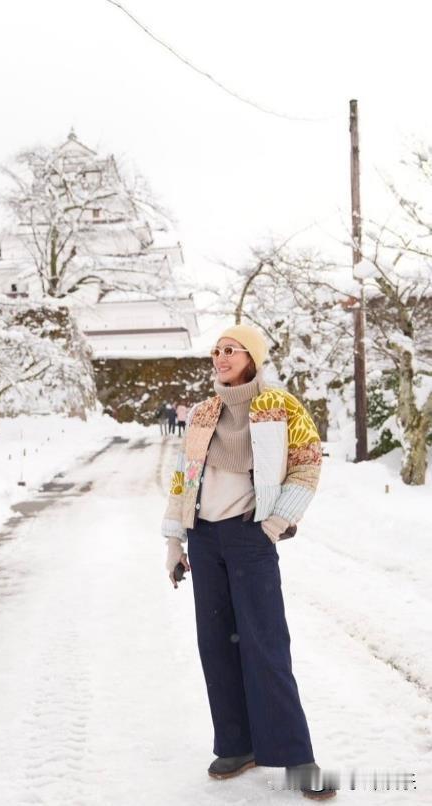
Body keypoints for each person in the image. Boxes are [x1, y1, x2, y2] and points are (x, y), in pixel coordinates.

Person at [161, 324, 336, 801]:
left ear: (252, 358)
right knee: (216, 643)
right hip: (204, 538)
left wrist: (278, 521)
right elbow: (182, 477)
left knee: (266, 645)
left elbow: (307, 462)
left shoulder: (279, 407)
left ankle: (298, 758)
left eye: (231, 350)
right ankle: (236, 744)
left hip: (249, 535)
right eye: (216, 351)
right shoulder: (202, 414)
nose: (220, 357)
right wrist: (175, 540)